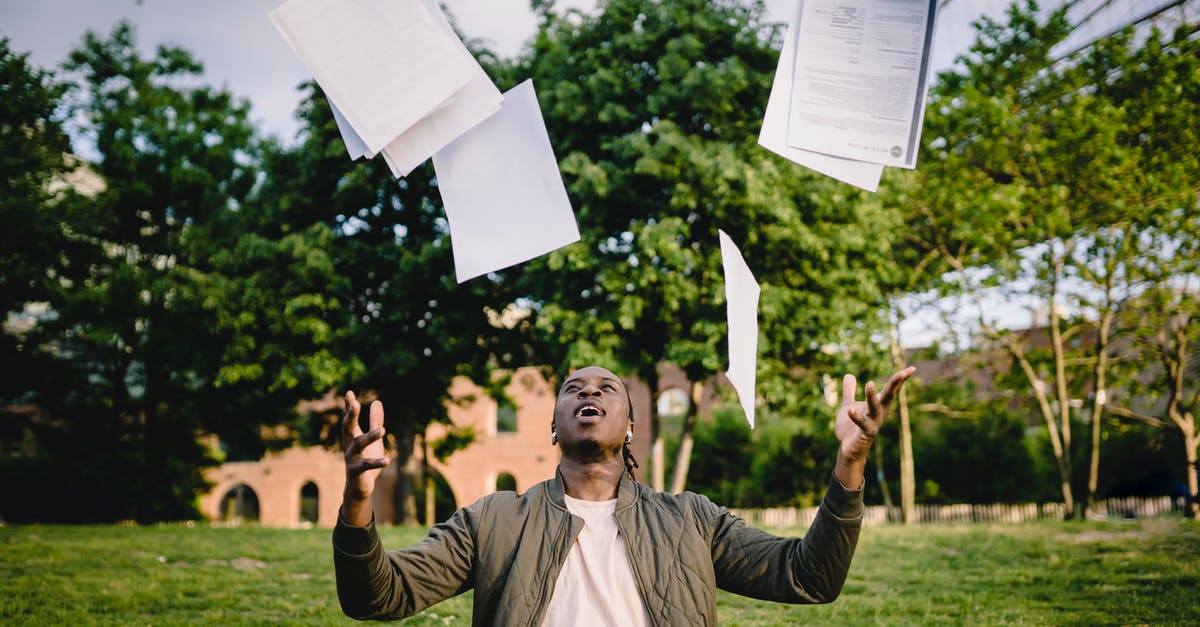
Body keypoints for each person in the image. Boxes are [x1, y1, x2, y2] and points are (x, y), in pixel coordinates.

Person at [333, 364, 915, 625]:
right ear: (555, 427)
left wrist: (849, 464)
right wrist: (359, 498)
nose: (590, 391)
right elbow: (378, 598)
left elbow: (809, 578)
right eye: (573, 389)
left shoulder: (690, 519)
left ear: (630, 427)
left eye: (607, 387)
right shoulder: (494, 519)